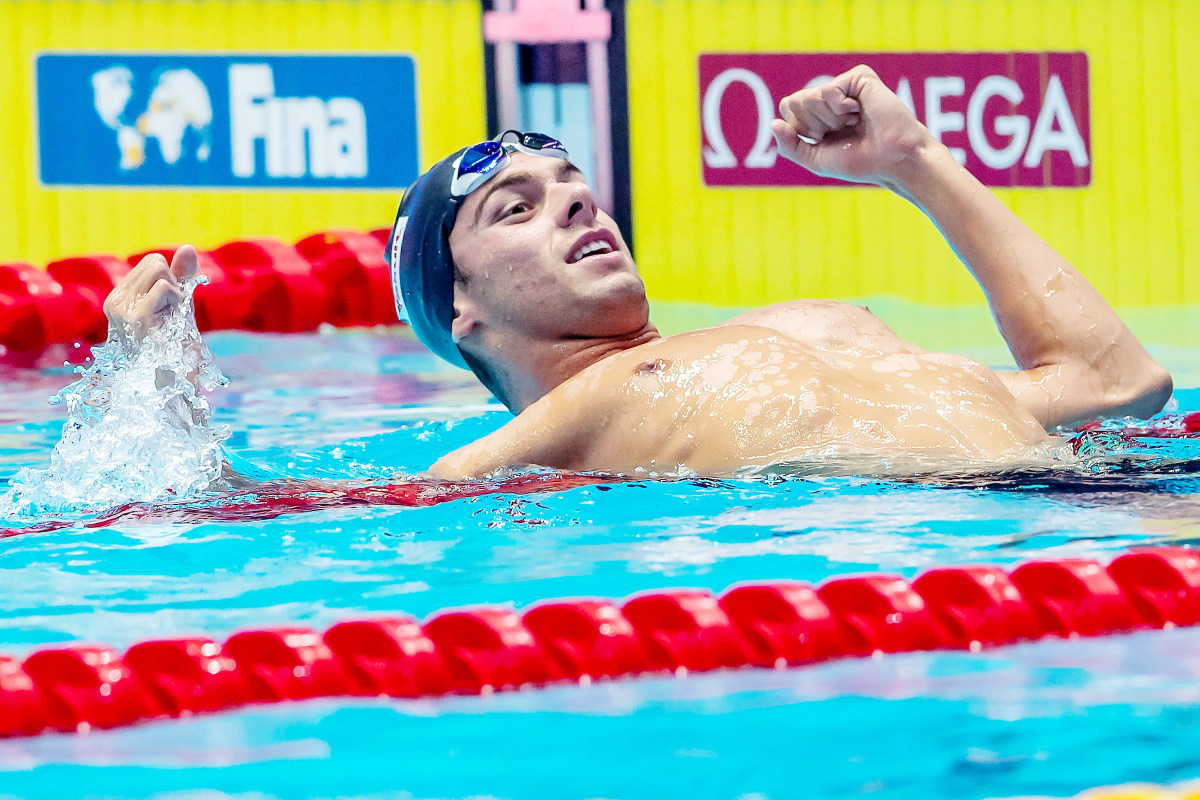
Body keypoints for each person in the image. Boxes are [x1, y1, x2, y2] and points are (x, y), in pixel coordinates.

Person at [106, 66, 1173, 480]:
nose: (574, 198)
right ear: (460, 311)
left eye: (572, 184)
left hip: (1113, 508)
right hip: (990, 571)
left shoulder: (823, 319)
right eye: (513, 207)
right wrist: (151, 386)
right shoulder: (570, 422)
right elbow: (272, 512)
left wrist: (914, 163)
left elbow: (1115, 383)